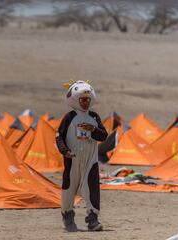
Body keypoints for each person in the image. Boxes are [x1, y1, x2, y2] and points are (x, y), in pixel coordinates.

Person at [56, 80, 108, 232]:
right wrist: (65, 151)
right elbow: (59, 137)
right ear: (75, 100)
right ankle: (67, 215)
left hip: (90, 161)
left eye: (87, 99)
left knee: (92, 189)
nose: (85, 102)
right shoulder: (69, 118)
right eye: (82, 100)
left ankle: (93, 220)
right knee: (68, 190)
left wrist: (93, 129)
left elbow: (103, 136)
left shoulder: (94, 117)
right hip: (72, 160)